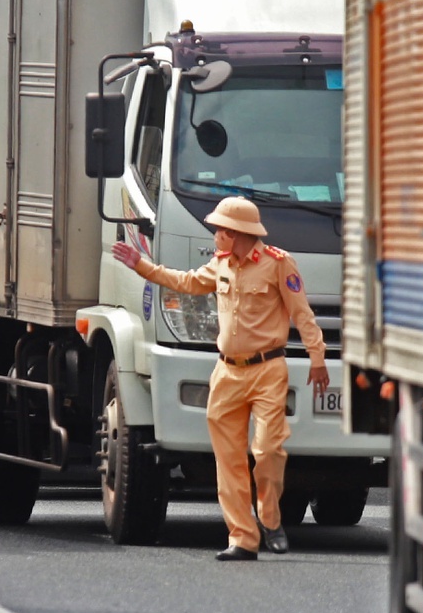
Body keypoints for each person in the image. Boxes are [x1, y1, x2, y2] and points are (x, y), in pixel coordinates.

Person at [112, 196, 329, 561]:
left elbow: (302, 315)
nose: (214, 235)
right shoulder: (221, 265)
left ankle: (270, 518)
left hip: (267, 371)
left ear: (234, 233)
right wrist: (142, 267)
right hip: (227, 373)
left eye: (218, 230)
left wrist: (318, 358)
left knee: (268, 450)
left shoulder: (278, 264)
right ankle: (242, 538)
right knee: (228, 461)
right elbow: (186, 282)